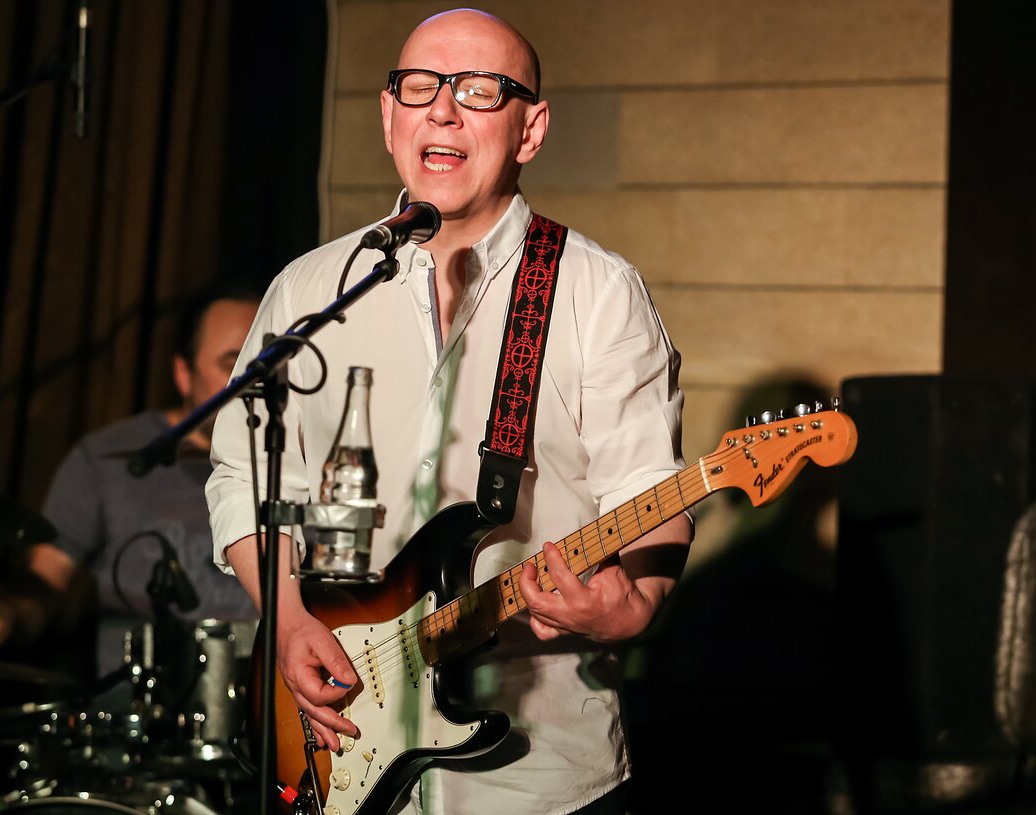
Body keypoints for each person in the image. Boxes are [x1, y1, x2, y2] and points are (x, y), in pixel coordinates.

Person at [206, 9, 692, 814]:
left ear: (530, 129)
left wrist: (629, 606)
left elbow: (648, 486)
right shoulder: (309, 289)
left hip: (534, 770)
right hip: (339, 739)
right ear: (388, 115)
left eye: (478, 90)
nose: (442, 109)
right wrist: (286, 620)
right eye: (420, 87)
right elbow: (245, 476)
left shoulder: (597, 291)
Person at [0, 289, 262, 680]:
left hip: (275, 700)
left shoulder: (298, 463)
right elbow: (46, 582)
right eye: (231, 364)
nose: (250, 383)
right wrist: (3, 618)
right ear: (183, 374)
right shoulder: (106, 459)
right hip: (138, 704)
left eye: (262, 365)